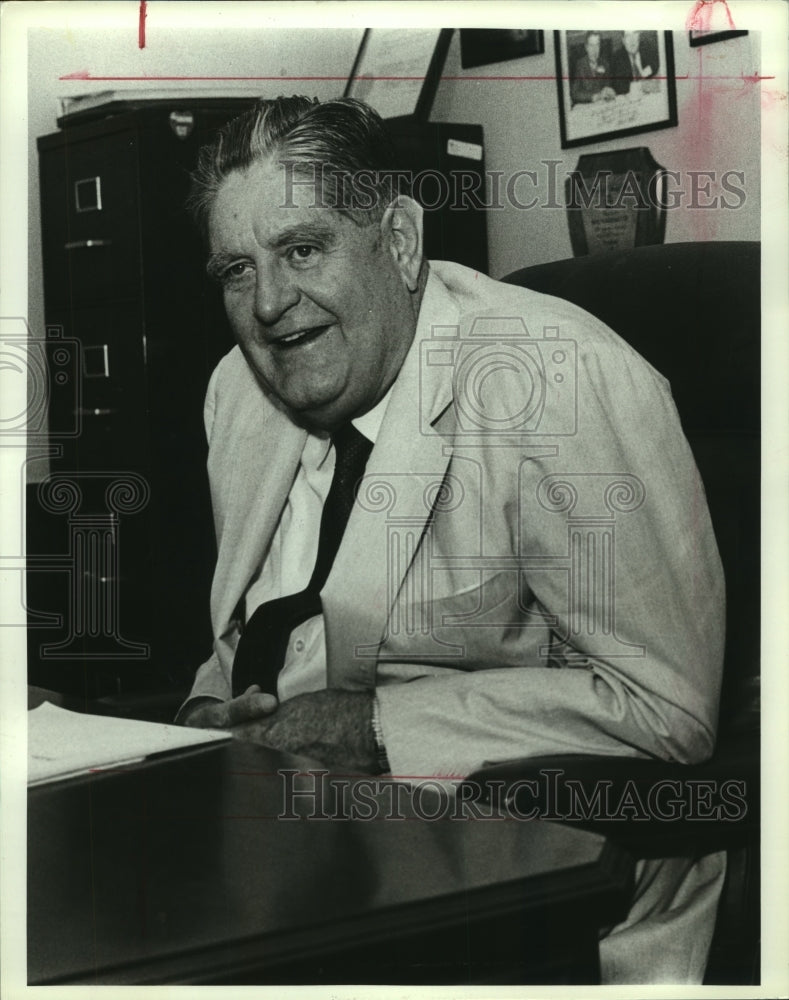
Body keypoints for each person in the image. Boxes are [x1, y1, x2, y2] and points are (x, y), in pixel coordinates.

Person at [178, 96, 726, 982]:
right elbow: (252, 633)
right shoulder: (238, 393)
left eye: (302, 249)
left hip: (543, 873)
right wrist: (210, 714)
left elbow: (668, 715)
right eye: (236, 270)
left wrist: (377, 728)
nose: (270, 305)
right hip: (304, 846)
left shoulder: (557, 383)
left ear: (397, 240)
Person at [570, 31, 616, 105]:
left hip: (602, 105)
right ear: (586, 47)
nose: (595, 50)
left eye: (597, 45)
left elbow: (608, 85)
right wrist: (593, 97)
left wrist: (609, 91)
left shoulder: (605, 64)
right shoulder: (580, 65)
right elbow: (575, 93)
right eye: (591, 45)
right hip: (587, 106)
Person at [611, 30, 660, 95]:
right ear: (623, 40)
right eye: (628, 36)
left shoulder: (649, 50)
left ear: (639, 37)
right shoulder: (617, 58)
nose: (632, 40)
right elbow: (619, 86)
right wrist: (640, 85)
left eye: (634, 34)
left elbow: (658, 70)